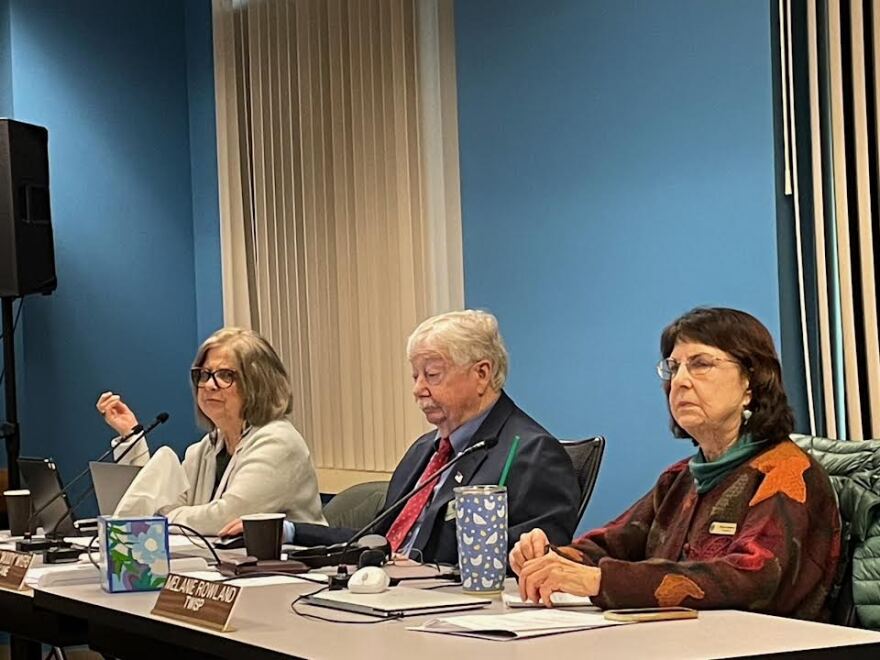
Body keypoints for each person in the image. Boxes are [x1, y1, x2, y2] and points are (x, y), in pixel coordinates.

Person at [511, 307, 841, 620]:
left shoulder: (787, 473)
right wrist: (550, 559)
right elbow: (611, 543)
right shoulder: (680, 478)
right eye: (673, 367)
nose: (679, 381)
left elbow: (753, 577)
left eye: (700, 364)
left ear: (750, 385)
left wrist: (600, 581)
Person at [220, 310, 580, 564]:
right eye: (415, 376)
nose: (418, 390)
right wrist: (293, 533)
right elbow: (378, 541)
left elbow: (532, 563)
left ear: (482, 374)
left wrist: (425, 573)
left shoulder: (532, 454)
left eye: (433, 374)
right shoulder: (425, 450)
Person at [96, 327, 326, 535]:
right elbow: (159, 500)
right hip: (228, 569)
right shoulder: (207, 447)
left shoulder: (278, 443)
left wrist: (161, 520)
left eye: (226, 375)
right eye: (204, 375)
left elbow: (225, 518)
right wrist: (132, 436)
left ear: (258, 383)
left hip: (293, 573)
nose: (209, 385)